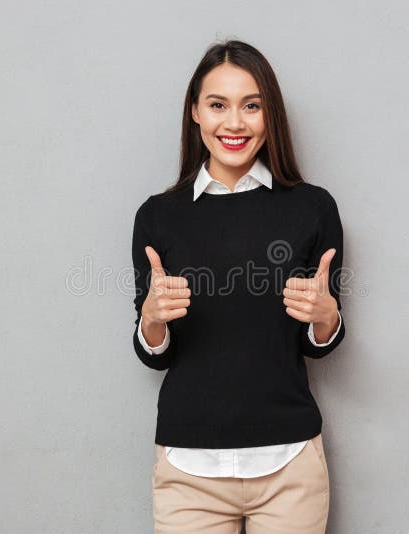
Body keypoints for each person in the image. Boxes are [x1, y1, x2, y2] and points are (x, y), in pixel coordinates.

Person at [131, 39, 346, 534]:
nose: (235, 123)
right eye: (217, 105)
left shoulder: (312, 209)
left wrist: (324, 317)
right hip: (189, 471)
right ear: (194, 113)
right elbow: (154, 353)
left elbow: (324, 343)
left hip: (290, 467)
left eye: (251, 105)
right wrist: (151, 320)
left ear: (270, 114)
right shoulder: (158, 217)